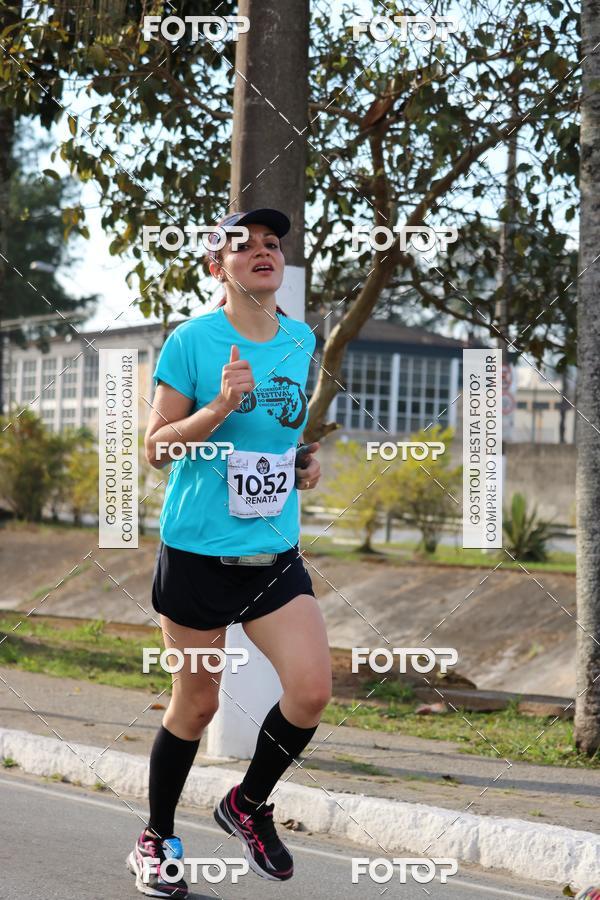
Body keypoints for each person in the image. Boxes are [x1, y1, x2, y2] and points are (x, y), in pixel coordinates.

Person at [126, 208, 332, 897]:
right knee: (197, 705)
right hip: (196, 555)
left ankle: (247, 803)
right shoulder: (192, 340)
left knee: (310, 691)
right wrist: (215, 409)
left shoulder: (300, 340)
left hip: (272, 552)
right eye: (244, 247)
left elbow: (278, 435)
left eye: (273, 244)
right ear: (219, 268)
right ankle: (155, 840)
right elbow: (155, 449)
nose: (263, 252)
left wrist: (301, 461)